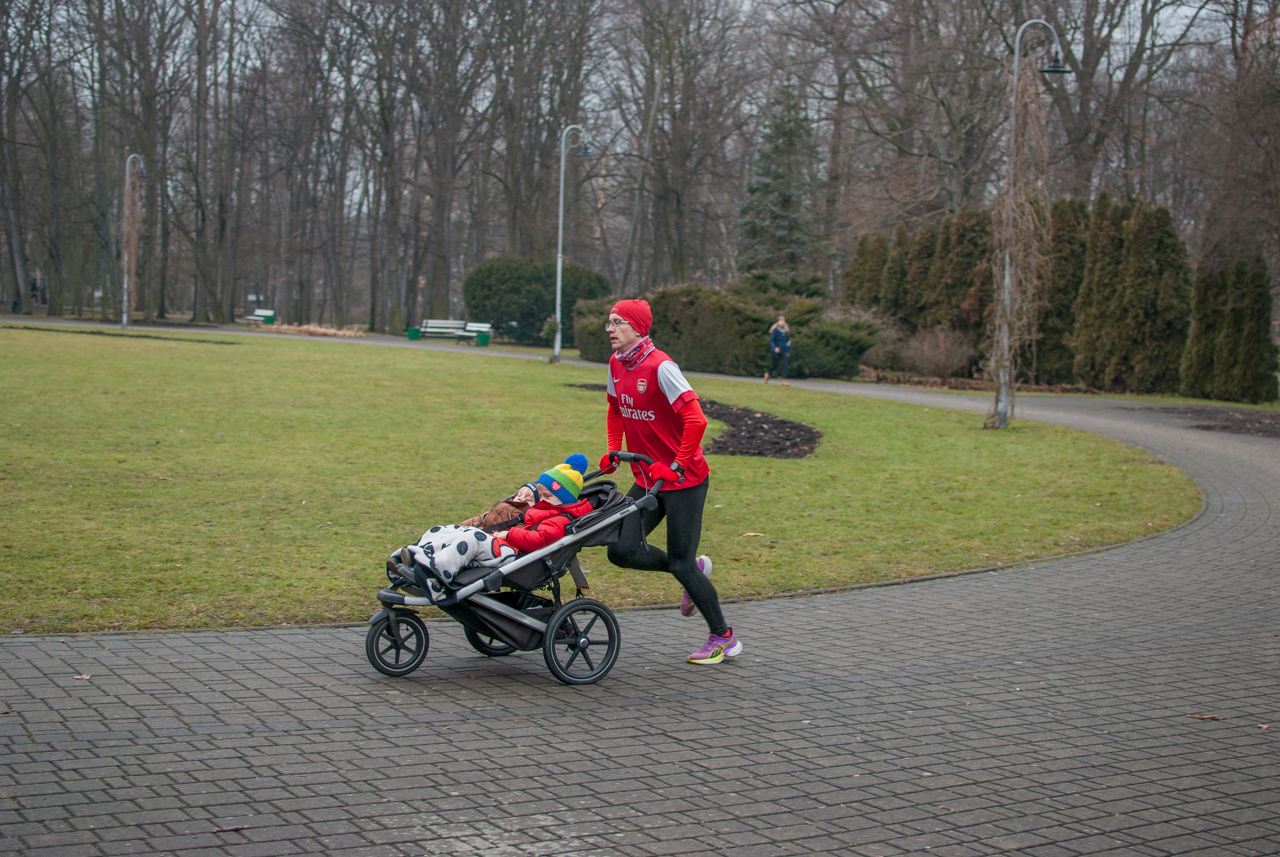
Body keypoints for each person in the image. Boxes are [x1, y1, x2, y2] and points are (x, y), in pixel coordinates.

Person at [598, 299, 743, 665]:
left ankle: (723, 637)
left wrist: (676, 467)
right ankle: (693, 572)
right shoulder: (616, 364)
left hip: (685, 480)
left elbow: (697, 421)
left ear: (637, 328)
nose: (610, 329)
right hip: (648, 477)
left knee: (679, 561)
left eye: (617, 323)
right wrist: (615, 450)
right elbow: (616, 410)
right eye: (609, 323)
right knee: (621, 550)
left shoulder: (662, 367)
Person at [765, 315, 790, 386]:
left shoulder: (786, 332)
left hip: (784, 350)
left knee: (785, 365)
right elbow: (771, 341)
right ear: (778, 322)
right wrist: (775, 347)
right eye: (780, 321)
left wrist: (788, 350)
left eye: (783, 321)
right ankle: (768, 374)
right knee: (774, 365)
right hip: (776, 350)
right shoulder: (775, 331)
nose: (782, 323)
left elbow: (788, 342)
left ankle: (784, 380)